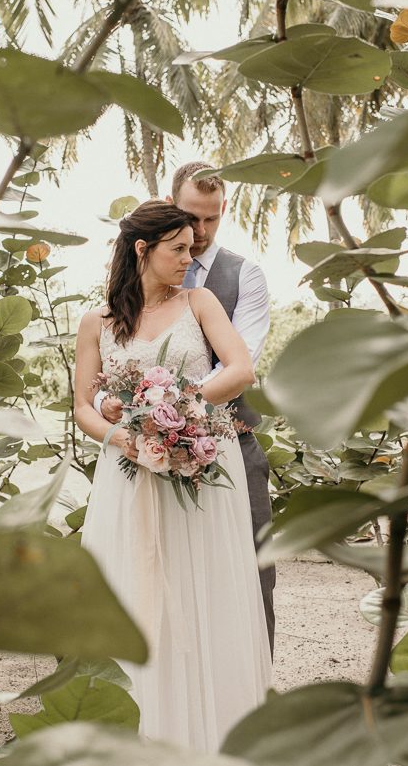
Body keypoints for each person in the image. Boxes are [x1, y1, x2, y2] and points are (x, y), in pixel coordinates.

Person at [74, 200, 272, 752]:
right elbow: (84, 407)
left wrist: (177, 407)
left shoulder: (200, 302)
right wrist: (128, 436)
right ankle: (140, 732)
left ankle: (211, 739)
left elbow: (239, 369)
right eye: (178, 248)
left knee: (200, 592)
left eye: (193, 247)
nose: (190, 256)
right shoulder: (96, 323)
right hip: (129, 470)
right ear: (143, 249)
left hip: (199, 460)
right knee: (136, 591)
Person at [99, 162, 276, 655]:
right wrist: (113, 408)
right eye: (189, 220)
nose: (198, 234)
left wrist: (163, 411)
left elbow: (237, 364)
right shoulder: (131, 288)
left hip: (227, 441)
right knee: (154, 573)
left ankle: (244, 692)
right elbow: (110, 362)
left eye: (210, 221)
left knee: (249, 573)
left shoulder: (243, 277)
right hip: (142, 450)